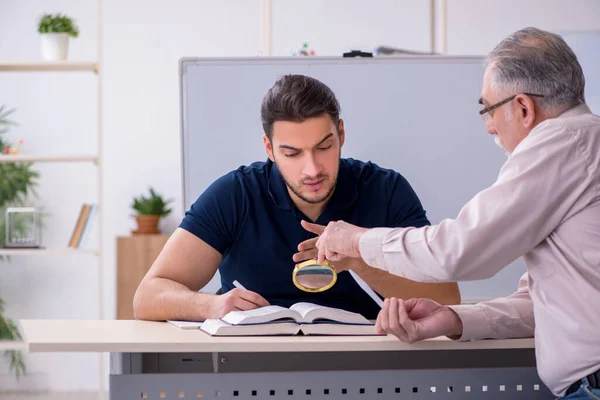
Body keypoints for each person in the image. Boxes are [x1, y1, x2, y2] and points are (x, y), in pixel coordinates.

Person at [309, 27, 600, 399]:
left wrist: (356, 240)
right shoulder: (585, 146)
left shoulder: (562, 144)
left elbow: (456, 250)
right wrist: (455, 319)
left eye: (489, 110)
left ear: (524, 108)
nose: (490, 126)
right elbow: (549, 303)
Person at [133, 74, 460, 323]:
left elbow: (448, 300)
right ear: (269, 148)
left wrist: (361, 261)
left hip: (366, 366)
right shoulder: (235, 194)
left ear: (341, 135)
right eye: (292, 153)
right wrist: (211, 305)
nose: (312, 169)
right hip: (249, 369)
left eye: (324, 147)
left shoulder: (386, 191)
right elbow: (147, 296)